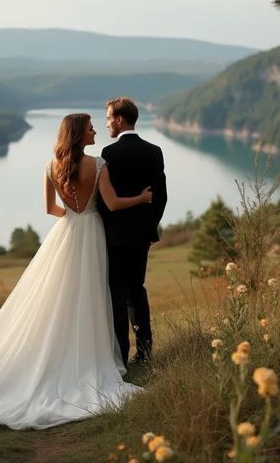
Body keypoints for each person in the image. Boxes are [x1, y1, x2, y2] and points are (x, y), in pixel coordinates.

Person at [0, 113, 151, 430]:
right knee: (89, 295)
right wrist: (142, 198)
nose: (95, 131)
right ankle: (85, 358)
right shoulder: (98, 165)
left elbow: (50, 209)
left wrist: (73, 214)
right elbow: (114, 203)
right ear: (79, 134)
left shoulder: (52, 166)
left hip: (66, 233)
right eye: (90, 127)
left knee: (57, 295)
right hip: (92, 234)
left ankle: (53, 354)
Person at [99, 97, 167, 366]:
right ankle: (145, 352)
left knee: (116, 294)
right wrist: (148, 227)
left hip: (114, 236)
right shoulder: (155, 151)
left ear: (119, 119)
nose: (106, 123)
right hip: (140, 235)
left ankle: (120, 357)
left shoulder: (108, 154)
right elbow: (161, 197)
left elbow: (104, 201)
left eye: (107, 118)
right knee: (136, 290)